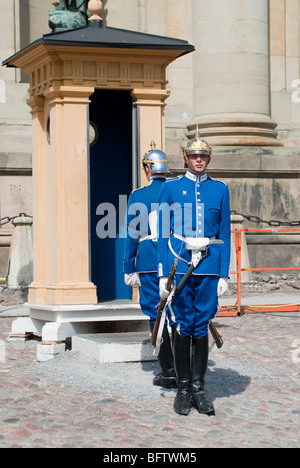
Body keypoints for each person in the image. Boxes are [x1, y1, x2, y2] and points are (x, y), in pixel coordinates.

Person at [157, 128, 231, 416]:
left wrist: (224, 274)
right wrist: (164, 272)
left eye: (203, 156)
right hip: (180, 263)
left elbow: (223, 231)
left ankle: (199, 389)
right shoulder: (171, 188)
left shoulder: (220, 189)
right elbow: (163, 231)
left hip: (209, 266)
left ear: (208, 159)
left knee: (202, 325)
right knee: (183, 325)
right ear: (186, 159)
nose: (198, 160)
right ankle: (183, 388)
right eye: (193, 156)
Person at [124, 141, 176, 389]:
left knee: (156, 313)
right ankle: (181, 369)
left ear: (147, 168)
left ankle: (168, 371)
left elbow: (132, 234)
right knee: (177, 314)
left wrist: (128, 266)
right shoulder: (178, 189)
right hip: (176, 259)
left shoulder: (138, 195)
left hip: (147, 260)